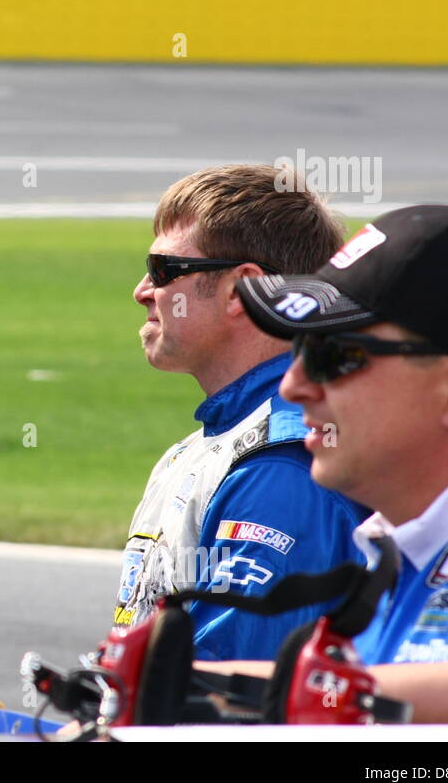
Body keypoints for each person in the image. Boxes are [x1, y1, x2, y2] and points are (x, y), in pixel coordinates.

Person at [218, 204, 448, 739]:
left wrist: (185, 688)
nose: (292, 386)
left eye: (330, 355)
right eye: (296, 349)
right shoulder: (402, 546)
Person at [116, 165, 367, 660]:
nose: (142, 290)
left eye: (164, 270)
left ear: (241, 291)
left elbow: (230, 698)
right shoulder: (207, 446)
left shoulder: (282, 465)